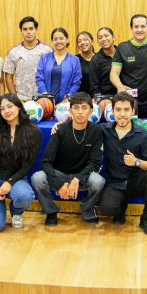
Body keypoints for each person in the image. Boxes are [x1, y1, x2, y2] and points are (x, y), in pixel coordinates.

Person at [31, 92, 105, 226]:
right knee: (37, 178)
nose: (80, 112)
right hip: (60, 174)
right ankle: (51, 211)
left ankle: (87, 208)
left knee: (98, 182)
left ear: (91, 111)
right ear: (70, 111)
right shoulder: (60, 130)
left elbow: (95, 162)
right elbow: (46, 162)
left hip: (82, 176)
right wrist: (59, 184)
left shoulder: (97, 130)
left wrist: (78, 179)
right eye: (76, 108)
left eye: (84, 108)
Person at [98, 92, 147, 235]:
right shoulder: (104, 130)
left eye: (126, 110)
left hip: (135, 182)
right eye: (118, 109)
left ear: (133, 111)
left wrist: (136, 162)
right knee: (107, 208)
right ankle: (120, 210)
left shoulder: (143, 134)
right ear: (112, 111)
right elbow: (82, 126)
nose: (122, 114)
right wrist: (60, 124)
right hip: (114, 183)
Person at [0, 93, 42, 232]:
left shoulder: (33, 131)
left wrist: (10, 182)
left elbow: (28, 164)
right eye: (2, 109)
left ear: (18, 107)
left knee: (25, 195)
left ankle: (16, 212)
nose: (6, 111)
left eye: (10, 106)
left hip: (16, 178)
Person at [110, 14, 147, 117]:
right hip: (129, 103)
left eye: (143, 26)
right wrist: (119, 85)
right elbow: (114, 73)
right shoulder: (122, 48)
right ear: (131, 29)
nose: (139, 29)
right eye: (136, 26)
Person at [3, 16, 53, 101]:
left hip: (43, 99)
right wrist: (15, 98)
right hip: (21, 99)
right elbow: (8, 77)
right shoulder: (13, 52)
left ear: (36, 29)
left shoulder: (47, 50)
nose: (28, 32)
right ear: (21, 31)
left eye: (31, 29)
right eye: (25, 29)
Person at [36, 27, 82, 102]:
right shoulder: (44, 58)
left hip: (66, 103)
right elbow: (39, 78)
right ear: (52, 41)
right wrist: (46, 96)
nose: (58, 41)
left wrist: (67, 99)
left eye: (61, 38)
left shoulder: (75, 60)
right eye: (55, 39)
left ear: (67, 40)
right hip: (46, 101)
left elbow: (76, 83)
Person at [88, 27, 117, 97]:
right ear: (98, 42)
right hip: (105, 97)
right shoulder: (95, 59)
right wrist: (101, 100)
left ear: (113, 37)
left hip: (124, 96)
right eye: (100, 38)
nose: (103, 39)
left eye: (106, 36)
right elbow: (94, 86)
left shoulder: (122, 53)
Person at [76, 31, 96, 95]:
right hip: (80, 97)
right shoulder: (75, 60)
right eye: (79, 41)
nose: (82, 43)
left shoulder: (99, 58)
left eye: (85, 39)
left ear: (92, 41)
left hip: (97, 96)